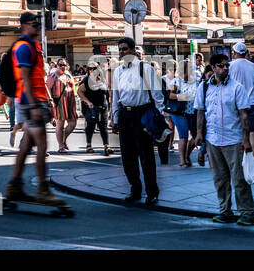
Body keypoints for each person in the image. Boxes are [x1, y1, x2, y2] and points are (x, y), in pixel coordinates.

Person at [4, 12, 69, 209]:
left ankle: (14, 187)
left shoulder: (34, 46)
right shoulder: (24, 47)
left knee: (26, 146)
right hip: (29, 102)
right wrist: (34, 106)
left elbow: (37, 78)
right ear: (23, 25)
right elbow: (24, 79)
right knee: (42, 144)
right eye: (33, 24)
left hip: (34, 100)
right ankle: (42, 189)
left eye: (38, 24)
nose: (37, 27)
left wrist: (46, 99)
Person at [192, 52, 254, 225]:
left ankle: (247, 213)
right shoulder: (204, 87)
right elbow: (200, 111)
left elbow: (244, 115)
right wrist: (199, 133)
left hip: (233, 139)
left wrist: (246, 139)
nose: (225, 68)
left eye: (227, 65)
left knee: (239, 179)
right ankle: (225, 211)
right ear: (213, 68)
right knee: (220, 179)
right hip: (213, 139)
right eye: (221, 65)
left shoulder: (237, 87)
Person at [110, 36, 167, 206]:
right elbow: (116, 96)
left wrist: (161, 114)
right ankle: (135, 190)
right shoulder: (118, 71)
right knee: (127, 157)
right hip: (125, 115)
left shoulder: (145, 69)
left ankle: (152, 192)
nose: (122, 52)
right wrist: (114, 116)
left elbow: (157, 94)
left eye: (125, 49)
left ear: (133, 50)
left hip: (142, 114)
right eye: (120, 49)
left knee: (146, 156)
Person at [228, 41, 254, 169]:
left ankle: (239, 160)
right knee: (253, 133)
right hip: (252, 103)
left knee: (238, 133)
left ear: (235, 53)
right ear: (246, 53)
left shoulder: (230, 66)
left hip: (235, 104)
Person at [166, 58, 197, 167]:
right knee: (183, 136)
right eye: (189, 68)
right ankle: (182, 160)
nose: (191, 70)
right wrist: (180, 96)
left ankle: (187, 154)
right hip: (179, 112)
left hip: (193, 111)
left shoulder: (195, 80)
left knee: (196, 136)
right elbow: (169, 95)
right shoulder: (176, 81)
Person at [80, 60, 112, 154]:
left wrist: (109, 101)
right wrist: (87, 102)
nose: (92, 70)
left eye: (94, 68)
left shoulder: (102, 79)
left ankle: (106, 146)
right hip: (91, 107)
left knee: (103, 126)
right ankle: (89, 145)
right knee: (90, 126)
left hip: (102, 105)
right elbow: (79, 91)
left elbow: (107, 91)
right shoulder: (86, 80)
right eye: (90, 68)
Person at [47, 58, 78, 153]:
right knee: (60, 124)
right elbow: (47, 89)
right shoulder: (53, 76)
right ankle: (61, 146)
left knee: (73, 123)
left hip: (70, 102)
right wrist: (50, 100)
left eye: (64, 65)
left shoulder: (68, 74)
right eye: (60, 65)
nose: (63, 67)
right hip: (59, 102)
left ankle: (63, 139)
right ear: (57, 66)